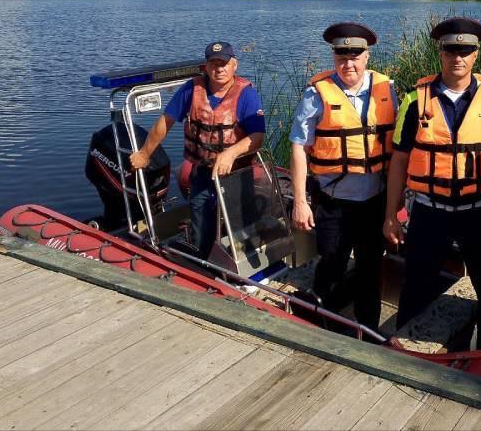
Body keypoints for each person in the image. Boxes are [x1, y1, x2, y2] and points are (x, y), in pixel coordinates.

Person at [383, 17, 481, 349]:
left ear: (476, 54)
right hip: (430, 213)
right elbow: (399, 160)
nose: (458, 57)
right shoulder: (416, 101)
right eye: (451, 49)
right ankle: (409, 356)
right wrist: (391, 214)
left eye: (466, 50)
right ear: (440, 52)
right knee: (416, 288)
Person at [290, 22, 398, 332]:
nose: (348, 64)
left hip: (373, 201)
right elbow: (299, 147)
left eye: (355, 56)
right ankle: (319, 321)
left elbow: (399, 149)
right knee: (332, 262)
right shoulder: (317, 93)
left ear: (367, 57)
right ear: (334, 56)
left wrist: (398, 199)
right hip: (333, 201)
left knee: (370, 267)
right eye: (341, 56)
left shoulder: (387, 89)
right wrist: (300, 201)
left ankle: (369, 330)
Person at [130, 41, 265, 259]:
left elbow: (257, 138)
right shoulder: (192, 90)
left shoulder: (246, 95)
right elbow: (164, 123)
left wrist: (230, 153)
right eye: (213, 63)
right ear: (206, 66)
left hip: (237, 176)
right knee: (201, 224)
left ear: (234, 65)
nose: (219, 68)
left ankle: (247, 269)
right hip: (202, 173)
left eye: (224, 63)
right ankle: (202, 263)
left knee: (242, 227)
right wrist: (144, 154)